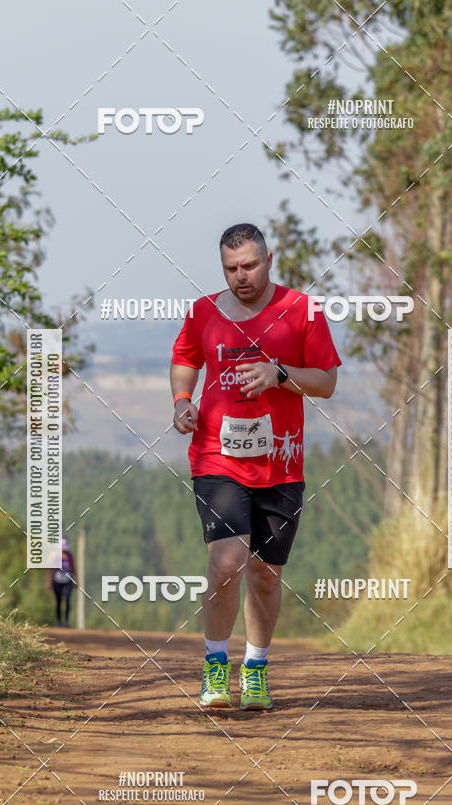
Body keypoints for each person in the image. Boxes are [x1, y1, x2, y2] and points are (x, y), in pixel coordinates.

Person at [170, 223, 341, 710]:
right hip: (216, 458)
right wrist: (183, 400)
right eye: (230, 269)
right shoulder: (204, 311)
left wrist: (279, 374)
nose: (240, 277)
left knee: (266, 574)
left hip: (281, 463)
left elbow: (326, 382)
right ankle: (215, 666)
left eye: (249, 266)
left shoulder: (302, 310)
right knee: (227, 563)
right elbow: (184, 358)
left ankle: (257, 668)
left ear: (269, 259)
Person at [47, 537, 76, 627]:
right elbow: (49, 569)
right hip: (57, 582)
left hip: (68, 581)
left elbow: (74, 568)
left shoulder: (70, 556)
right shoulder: (54, 556)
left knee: (67, 600)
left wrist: (76, 580)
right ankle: (59, 621)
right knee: (58, 602)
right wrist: (48, 580)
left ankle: (66, 621)